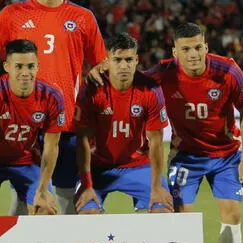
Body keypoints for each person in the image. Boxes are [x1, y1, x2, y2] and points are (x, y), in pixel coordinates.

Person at [0, 0, 107, 215]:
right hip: (21, 122)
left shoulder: (82, 17)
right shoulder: (13, 15)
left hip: (66, 121)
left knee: (66, 197)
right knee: (25, 197)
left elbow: (101, 63)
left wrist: (98, 75)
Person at [145, 23, 243, 243]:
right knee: (183, 218)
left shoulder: (227, 70)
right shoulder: (162, 73)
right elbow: (129, 82)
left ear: (206, 47)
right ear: (175, 52)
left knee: (233, 214)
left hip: (226, 155)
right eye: (186, 49)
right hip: (185, 158)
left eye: (197, 47)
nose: (193, 54)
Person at [73, 33, 173, 215]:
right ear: (107, 61)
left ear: (136, 60)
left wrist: (157, 186)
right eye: (117, 59)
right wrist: (87, 185)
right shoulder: (92, 90)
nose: (123, 65)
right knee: (87, 215)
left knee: (162, 211)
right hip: (98, 168)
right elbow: (83, 141)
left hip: (139, 166)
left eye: (128, 59)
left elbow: (157, 142)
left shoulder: (150, 90)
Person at [0, 39, 64, 216]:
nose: (25, 72)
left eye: (30, 66)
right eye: (19, 66)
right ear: (7, 66)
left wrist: (43, 190)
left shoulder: (52, 96)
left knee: (45, 209)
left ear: (37, 66)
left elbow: (52, 146)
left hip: (26, 161)